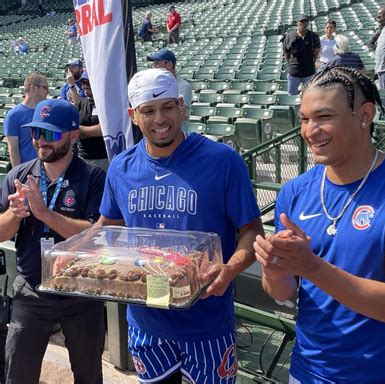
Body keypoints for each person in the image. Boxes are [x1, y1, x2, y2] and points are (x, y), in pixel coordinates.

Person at [253, 65, 385, 383]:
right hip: (307, 372)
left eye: (324, 117)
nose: (310, 130)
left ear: (364, 115)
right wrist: (274, 270)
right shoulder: (295, 190)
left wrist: (312, 266)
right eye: (304, 119)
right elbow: (284, 292)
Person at [97, 68, 263, 383]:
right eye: (149, 110)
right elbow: (109, 227)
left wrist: (229, 269)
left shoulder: (223, 161)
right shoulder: (121, 168)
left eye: (168, 107)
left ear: (182, 107)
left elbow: (252, 232)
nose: (160, 119)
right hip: (146, 320)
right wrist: (73, 253)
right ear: (134, 115)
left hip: (206, 319)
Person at [0, 99, 106, 384]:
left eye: (51, 134)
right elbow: (1, 232)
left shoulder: (93, 177)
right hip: (31, 290)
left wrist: (45, 214)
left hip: (81, 292)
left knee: (88, 375)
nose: (40, 141)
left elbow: (95, 234)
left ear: (73, 135)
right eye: (36, 133)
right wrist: (15, 213)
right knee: (18, 374)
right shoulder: (18, 176)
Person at [4, 72, 48, 167]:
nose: (47, 92)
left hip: (48, 169)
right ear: (33, 87)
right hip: (27, 170)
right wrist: (18, 174)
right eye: (45, 88)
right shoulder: (14, 115)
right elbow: (13, 149)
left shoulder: (46, 112)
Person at [147, 48, 192, 132]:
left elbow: (179, 116)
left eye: (157, 64)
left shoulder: (184, 86)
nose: (154, 67)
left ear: (169, 64)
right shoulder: (155, 86)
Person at [75, 70, 109, 172]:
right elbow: (73, 132)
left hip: (103, 158)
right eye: (83, 83)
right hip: (83, 157)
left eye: (88, 83)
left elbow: (103, 130)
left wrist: (79, 128)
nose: (85, 86)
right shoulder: (81, 104)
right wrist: (92, 132)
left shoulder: (105, 103)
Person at [283, 14, 320, 95]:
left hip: (309, 72)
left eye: (305, 21)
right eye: (301, 21)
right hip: (294, 72)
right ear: (297, 22)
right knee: (292, 96)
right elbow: (286, 52)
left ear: (308, 23)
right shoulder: (289, 36)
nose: (303, 23)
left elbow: (317, 50)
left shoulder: (313, 36)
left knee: (310, 95)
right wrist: (290, 63)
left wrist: (312, 60)